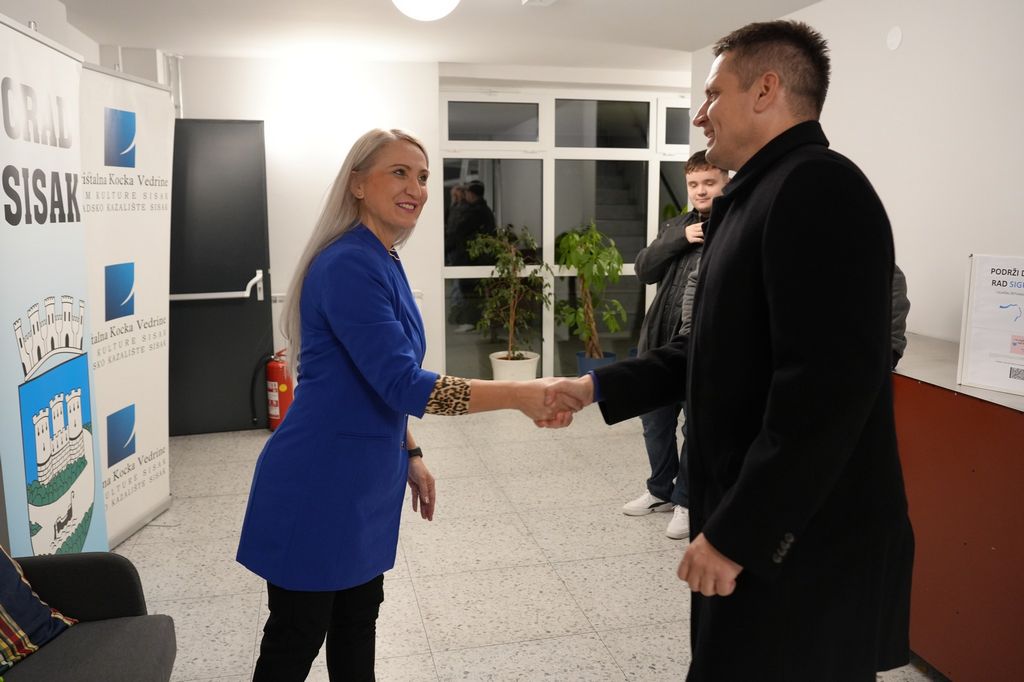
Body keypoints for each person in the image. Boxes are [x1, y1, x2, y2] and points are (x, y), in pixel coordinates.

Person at [542, 21, 914, 681]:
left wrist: (738, 533)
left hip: (801, 545)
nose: (700, 114)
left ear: (766, 90)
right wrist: (597, 387)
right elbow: (707, 349)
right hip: (757, 528)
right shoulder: (754, 196)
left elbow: (823, 394)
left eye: (713, 94)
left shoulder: (819, 189)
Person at [236, 128, 576, 682]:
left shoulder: (383, 257)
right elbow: (402, 383)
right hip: (319, 481)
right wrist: (520, 393)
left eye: (422, 177)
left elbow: (373, 382)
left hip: (365, 477)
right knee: (295, 641)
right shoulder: (348, 264)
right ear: (357, 184)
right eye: (399, 172)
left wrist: (411, 453)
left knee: (357, 624)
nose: (416, 188)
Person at [624, 151, 728, 540]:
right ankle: (660, 491)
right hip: (659, 344)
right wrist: (679, 239)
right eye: (694, 184)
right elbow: (644, 269)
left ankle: (686, 499)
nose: (701, 191)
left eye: (710, 183)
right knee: (654, 421)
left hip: (702, 349)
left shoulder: (735, 225)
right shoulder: (676, 227)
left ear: (726, 182)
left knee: (694, 428)